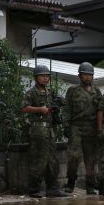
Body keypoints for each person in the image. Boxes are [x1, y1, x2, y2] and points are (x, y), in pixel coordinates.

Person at [21, 64, 68, 198]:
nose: (46, 79)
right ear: (36, 78)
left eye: (47, 76)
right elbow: (24, 108)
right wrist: (40, 109)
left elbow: (62, 101)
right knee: (39, 159)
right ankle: (33, 189)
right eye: (43, 76)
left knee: (52, 159)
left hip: (50, 129)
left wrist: (58, 102)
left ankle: (52, 187)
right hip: (38, 129)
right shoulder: (31, 92)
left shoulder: (50, 92)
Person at [63, 62, 102, 194]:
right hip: (76, 127)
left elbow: (101, 111)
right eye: (85, 75)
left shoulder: (97, 92)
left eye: (90, 75)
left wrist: (100, 129)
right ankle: (70, 183)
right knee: (73, 156)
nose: (88, 77)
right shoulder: (73, 91)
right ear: (79, 76)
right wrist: (66, 125)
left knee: (91, 159)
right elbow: (67, 109)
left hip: (91, 129)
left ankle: (90, 185)